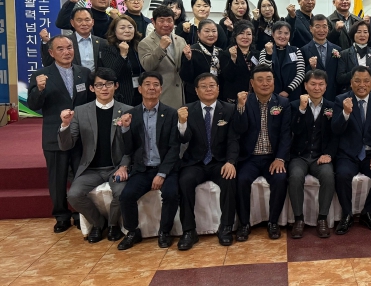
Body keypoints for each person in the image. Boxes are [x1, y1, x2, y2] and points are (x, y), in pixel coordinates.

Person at [58, 67, 132, 243]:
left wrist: (124, 166)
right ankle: (98, 224)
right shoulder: (81, 111)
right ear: (92, 88)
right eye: (99, 85)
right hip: (91, 169)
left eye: (108, 84)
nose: (104, 88)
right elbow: (66, 145)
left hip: (116, 167)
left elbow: (133, 145)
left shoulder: (127, 110)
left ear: (116, 86)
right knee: (74, 195)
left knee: (122, 192)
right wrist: (65, 125)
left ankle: (113, 225)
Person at [27, 35, 92, 233]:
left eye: (69, 47)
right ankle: (61, 216)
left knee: (81, 176)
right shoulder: (41, 75)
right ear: (51, 53)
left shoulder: (84, 73)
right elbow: (33, 105)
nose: (66, 52)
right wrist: (39, 89)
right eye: (60, 49)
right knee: (57, 178)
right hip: (54, 134)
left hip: (81, 134)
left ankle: (81, 213)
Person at [176, 73, 246, 250]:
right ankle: (189, 231)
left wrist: (231, 161)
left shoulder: (229, 109)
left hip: (220, 161)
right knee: (184, 181)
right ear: (196, 91)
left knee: (229, 179)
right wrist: (182, 123)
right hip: (196, 162)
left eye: (212, 86)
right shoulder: (187, 110)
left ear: (218, 89)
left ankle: (226, 227)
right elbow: (183, 139)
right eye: (204, 86)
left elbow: (233, 139)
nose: (208, 89)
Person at [117, 71, 181, 250]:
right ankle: (132, 231)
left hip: (166, 169)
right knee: (126, 196)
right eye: (147, 84)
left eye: (156, 85)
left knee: (171, 194)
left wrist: (162, 173)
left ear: (161, 89)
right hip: (142, 169)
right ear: (140, 89)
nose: (151, 88)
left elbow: (174, 147)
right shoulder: (131, 114)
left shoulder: (171, 114)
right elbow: (128, 149)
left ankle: (164, 231)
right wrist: (125, 129)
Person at [332, 66, 371, 235]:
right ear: (351, 83)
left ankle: (368, 213)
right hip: (348, 154)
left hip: (370, 154)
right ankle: (347, 215)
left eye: (366, 81)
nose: (362, 85)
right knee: (342, 176)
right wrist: (345, 113)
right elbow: (335, 130)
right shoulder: (341, 100)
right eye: (357, 81)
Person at [236, 65, 291, 241]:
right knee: (241, 180)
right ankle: (244, 224)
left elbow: (286, 134)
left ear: (274, 82)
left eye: (269, 79)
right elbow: (239, 130)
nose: (265, 83)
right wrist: (240, 108)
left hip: (272, 157)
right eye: (260, 80)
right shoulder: (245, 101)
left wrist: (280, 158)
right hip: (250, 158)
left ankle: (273, 222)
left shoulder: (282, 103)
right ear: (252, 83)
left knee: (280, 179)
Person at [288, 70, 337, 239]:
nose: (317, 88)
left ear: (326, 86)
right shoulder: (294, 105)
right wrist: (302, 110)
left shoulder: (332, 106)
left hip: (320, 156)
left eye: (321, 84)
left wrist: (329, 154)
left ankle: (322, 218)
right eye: (313, 84)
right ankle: (298, 219)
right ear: (305, 85)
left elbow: (336, 135)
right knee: (295, 176)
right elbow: (293, 130)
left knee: (328, 176)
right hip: (299, 155)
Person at [139, 6, 187, 110]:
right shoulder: (145, 43)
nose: (166, 24)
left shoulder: (180, 40)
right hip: (161, 95)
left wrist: (188, 58)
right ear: (153, 22)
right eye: (161, 21)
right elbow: (148, 66)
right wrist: (160, 48)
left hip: (180, 95)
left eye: (169, 20)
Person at [41, 6, 107, 71]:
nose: (84, 24)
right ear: (72, 23)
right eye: (79, 20)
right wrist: (45, 42)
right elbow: (48, 63)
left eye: (87, 20)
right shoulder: (65, 42)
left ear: (92, 22)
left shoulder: (103, 43)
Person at [180, 19, 229, 103]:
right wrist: (188, 59)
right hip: (195, 96)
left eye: (214, 31)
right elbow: (186, 77)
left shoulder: (220, 52)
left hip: (217, 96)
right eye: (207, 31)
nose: (211, 34)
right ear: (198, 33)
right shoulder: (191, 51)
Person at [100, 15, 144, 107]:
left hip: (141, 94)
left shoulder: (138, 46)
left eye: (130, 27)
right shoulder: (108, 48)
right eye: (122, 28)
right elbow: (112, 74)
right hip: (122, 95)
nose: (127, 30)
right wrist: (122, 55)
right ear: (114, 31)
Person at [259, 21, 305, 101]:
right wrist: (269, 55)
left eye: (286, 33)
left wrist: (288, 90)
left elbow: (301, 73)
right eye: (279, 33)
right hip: (271, 95)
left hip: (292, 95)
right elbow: (264, 72)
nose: (283, 36)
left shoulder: (296, 51)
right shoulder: (264, 51)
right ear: (273, 34)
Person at [337, 21, 371, 97]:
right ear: (353, 34)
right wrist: (356, 70)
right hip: (350, 96)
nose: (362, 35)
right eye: (359, 32)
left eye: (365, 32)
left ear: (369, 34)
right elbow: (340, 78)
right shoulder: (344, 54)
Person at [300, 14, 342, 102]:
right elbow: (301, 75)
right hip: (313, 95)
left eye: (324, 26)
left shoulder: (337, 49)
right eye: (317, 26)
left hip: (334, 94)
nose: (321, 30)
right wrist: (311, 67)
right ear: (311, 28)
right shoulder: (304, 50)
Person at [221, 20, 259, 104]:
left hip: (253, 98)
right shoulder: (227, 53)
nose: (245, 37)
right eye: (241, 33)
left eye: (248, 34)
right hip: (233, 99)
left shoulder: (257, 54)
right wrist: (233, 59)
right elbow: (227, 77)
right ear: (235, 36)